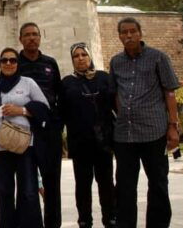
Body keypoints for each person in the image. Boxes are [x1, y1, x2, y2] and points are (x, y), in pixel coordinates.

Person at [110, 17, 180, 228]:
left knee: (158, 183)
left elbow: (170, 92)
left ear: (140, 33)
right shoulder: (116, 62)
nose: (129, 35)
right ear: (119, 35)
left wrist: (173, 126)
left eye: (132, 31)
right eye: (124, 32)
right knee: (124, 186)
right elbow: (115, 93)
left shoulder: (158, 58)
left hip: (154, 131)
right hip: (125, 133)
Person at [0, 48, 45, 228]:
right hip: (0, 147)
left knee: (28, 191)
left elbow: (44, 107)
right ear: (0, 64)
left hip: (25, 145)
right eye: (4, 60)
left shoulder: (28, 83)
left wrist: (23, 110)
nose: (8, 63)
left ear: (18, 63)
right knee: (3, 192)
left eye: (13, 60)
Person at [60, 43, 116, 228]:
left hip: (103, 141)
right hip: (80, 142)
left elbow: (116, 106)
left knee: (106, 183)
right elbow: (61, 112)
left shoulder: (104, 78)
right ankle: (84, 220)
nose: (81, 58)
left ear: (90, 56)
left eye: (84, 54)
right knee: (83, 185)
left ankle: (111, 218)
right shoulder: (67, 83)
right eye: (76, 55)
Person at [16, 22, 62, 228]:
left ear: (40, 37)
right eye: (27, 35)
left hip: (48, 130)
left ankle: (53, 224)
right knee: (27, 184)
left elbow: (59, 94)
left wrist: (57, 123)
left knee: (52, 182)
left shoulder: (50, 63)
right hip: (24, 130)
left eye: (35, 34)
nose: (32, 38)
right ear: (21, 39)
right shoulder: (14, 63)